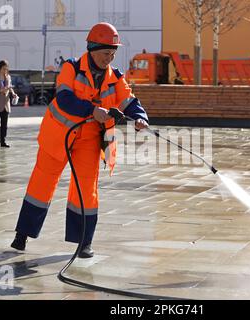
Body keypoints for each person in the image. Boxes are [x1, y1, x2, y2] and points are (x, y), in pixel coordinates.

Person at [10, 22, 149, 258]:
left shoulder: (115, 77)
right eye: (106, 53)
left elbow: (129, 101)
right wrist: (92, 110)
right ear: (93, 49)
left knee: (86, 189)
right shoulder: (71, 68)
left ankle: (84, 242)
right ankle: (22, 234)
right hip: (58, 136)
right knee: (40, 185)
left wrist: (140, 117)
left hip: (89, 140)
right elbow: (64, 98)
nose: (109, 58)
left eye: (113, 54)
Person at [0, 60, 18, 148]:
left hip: (6, 104)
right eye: (3, 68)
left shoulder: (8, 77)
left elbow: (10, 87)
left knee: (4, 125)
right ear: (0, 68)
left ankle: (3, 141)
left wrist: (13, 93)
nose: (5, 70)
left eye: (6, 69)